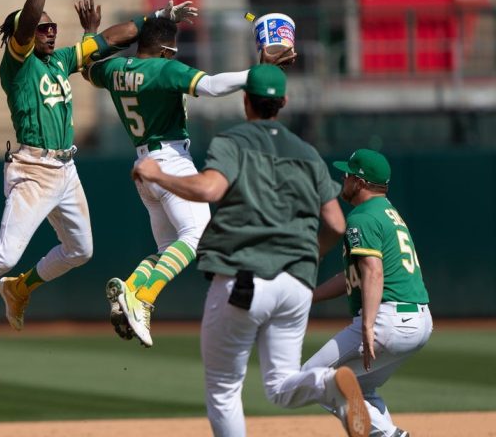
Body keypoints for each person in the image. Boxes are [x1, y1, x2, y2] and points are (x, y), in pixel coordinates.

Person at [0, 0, 189, 354]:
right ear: (21, 38)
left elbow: (111, 40)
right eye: (43, 29)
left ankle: (20, 289)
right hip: (32, 169)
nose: (49, 31)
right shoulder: (18, 65)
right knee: (4, 254)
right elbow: (26, 26)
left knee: (81, 250)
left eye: (53, 26)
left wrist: (156, 20)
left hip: (66, 168)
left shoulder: (60, 61)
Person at [133, 64, 370, 437]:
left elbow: (210, 189)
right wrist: (311, 257)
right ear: (284, 103)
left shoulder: (234, 141)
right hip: (295, 285)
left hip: (243, 278)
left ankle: (328, 384)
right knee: (281, 385)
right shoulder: (308, 153)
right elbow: (337, 224)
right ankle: (327, 383)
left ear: (246, 101)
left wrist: (158, 174)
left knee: (224, 390)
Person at [84, 16, 296, 348]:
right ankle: (144, 299)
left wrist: (90, 34)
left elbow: (88, 68)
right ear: (167, 49)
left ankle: (132, 287)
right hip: (170, 161)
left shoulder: (115, 69)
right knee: (196, 238)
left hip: (143, 163)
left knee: (169, 249)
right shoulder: (165, 69)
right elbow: (211, 86)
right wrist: (255, 73)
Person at [303, 149, 433, 437]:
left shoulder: (362, 217)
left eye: (348, 174)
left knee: (312, 378)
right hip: (419, 319)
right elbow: (358, 275)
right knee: (359, 388)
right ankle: (388, 434)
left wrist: (368, 325)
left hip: (389, 319)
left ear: (359, 183)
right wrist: (310, 296)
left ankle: (390, 436)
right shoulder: (388, 213)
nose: (343, 178)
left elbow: (373, 271)